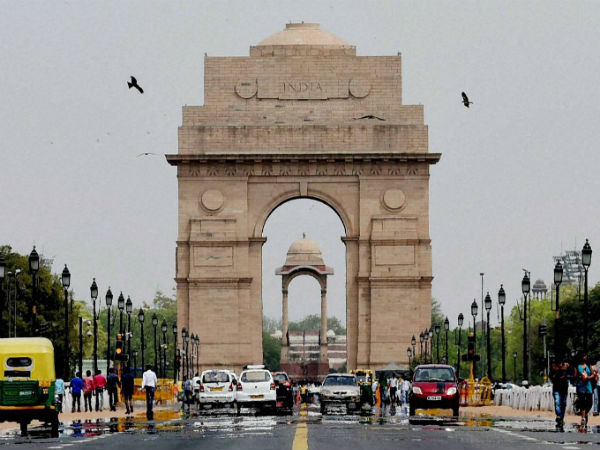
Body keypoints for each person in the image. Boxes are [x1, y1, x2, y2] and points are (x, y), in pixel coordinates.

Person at [576, 354, 596, 430]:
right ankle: (583, 418)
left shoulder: (588, 365)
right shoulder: (577, 366)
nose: (585, 357)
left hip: (588, 386)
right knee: (582, 403)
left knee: (590, 403)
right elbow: (575, 375)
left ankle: (584, 414)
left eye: (586, 356)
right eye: (584, 356)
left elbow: (593, 374)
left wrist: (589, 377)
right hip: (580, 386)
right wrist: (580, 377)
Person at [550, 358, 570, 431]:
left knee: (563, 403)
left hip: (564, 388)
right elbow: (551, 377)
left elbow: (571, 374)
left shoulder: (566, 368)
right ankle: (558, 415)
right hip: (556, 388)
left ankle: (561, 418)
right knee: (557, 402)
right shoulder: (554, 368)